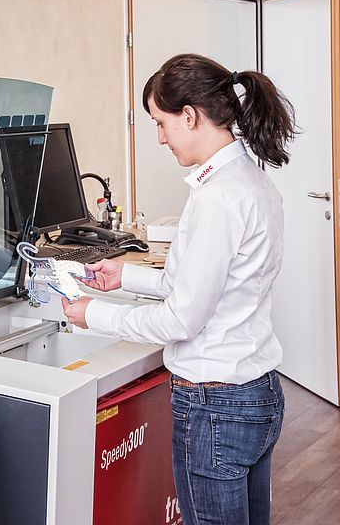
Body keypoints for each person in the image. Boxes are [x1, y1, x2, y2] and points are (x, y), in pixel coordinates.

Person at [62, 53, 295, 525]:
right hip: (256, 391)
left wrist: (93, 314)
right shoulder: (249, 181)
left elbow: (181, 319)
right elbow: (202, 285)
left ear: (189, 116)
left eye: (161, 123)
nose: (161, 138)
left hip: (215, 404)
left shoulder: (217, 198)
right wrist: (124, 276)